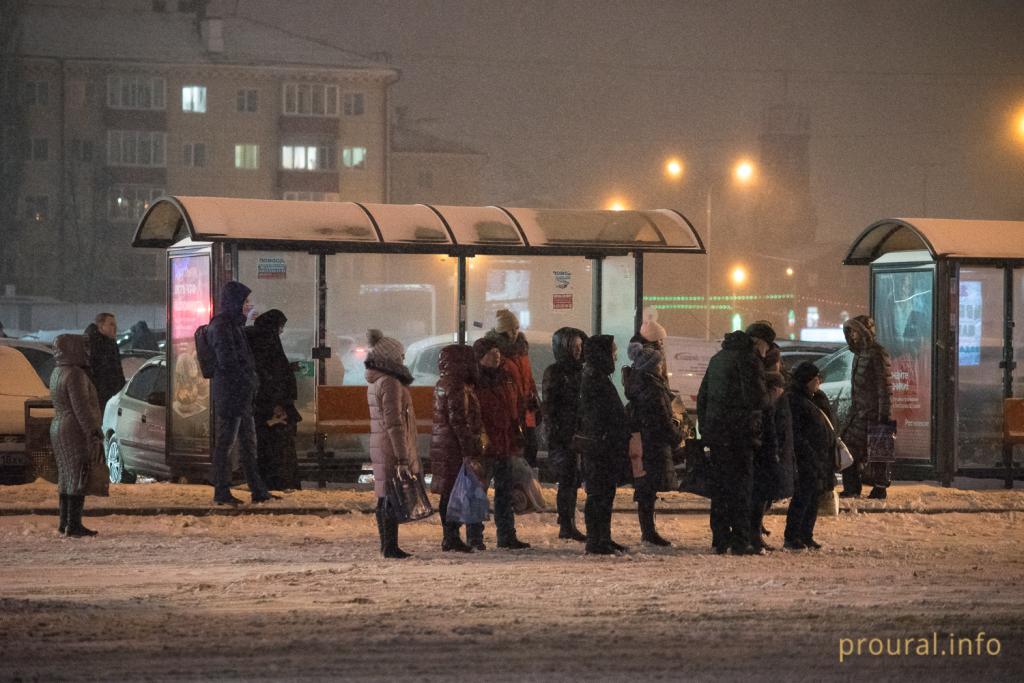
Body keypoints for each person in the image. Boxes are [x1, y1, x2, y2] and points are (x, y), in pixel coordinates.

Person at [696, 321, 772, 555]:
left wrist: (707, 429)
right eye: (767, 346)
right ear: (758, 342)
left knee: (720, 488)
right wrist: (772, 397)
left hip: (717, 435)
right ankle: (740, 540)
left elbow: (702, 397)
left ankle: (720, 538)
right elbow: (757, 399)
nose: (767, 351)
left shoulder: (717, 359)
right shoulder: (749, 360)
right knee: (741, 488)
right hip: (740, 434)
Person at [207, 281, 272, 506]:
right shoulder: (222, 326)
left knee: (247, 444)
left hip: (240, 393)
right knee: (226, 444)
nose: (248, 305)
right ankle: (221, 491)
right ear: (234, 302)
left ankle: (257, 489)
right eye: (245, 301)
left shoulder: (233, 325)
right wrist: (247, 378)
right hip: (231, 393)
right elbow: (228, 361)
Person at [364, 329, 422, 559]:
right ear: (391, 357)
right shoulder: (390, 382)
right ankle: (390, 546)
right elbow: (394, 422)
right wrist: (402, 456)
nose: (403, 358)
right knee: (391, 494)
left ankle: (387, 545)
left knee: (385, 494)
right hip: (390, 445)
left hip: (380, 442)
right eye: (400, 355)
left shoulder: (376, 379)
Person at [624, 339, 682, 547]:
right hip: (653, 444)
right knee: (648, 489)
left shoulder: (639, 385)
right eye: (659, 363)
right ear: (652, 366)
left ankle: (648, 530)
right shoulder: (653, 388)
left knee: (646, 488)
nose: (661, 366)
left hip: (644, 442)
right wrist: (676, 435)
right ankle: (649, 532)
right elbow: (662, 419)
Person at [473, 337, 530, 550]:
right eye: (491, 352)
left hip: (505, 441)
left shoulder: (506, 378)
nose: (496, 355)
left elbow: (514, 408)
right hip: (485, 445)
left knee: (504, 492)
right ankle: (475, 536)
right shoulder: (475, 381)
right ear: (480, 357)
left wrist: (517, 431)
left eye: (497, 351)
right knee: (478, 492)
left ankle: (506, 535)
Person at [577, 335, 631, 555]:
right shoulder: (594, 379)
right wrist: (609, 433)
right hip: (600, 445)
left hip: (605, 444)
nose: (615, 356)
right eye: (613, 351)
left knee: (605, 492)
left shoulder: (598, 377)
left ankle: (603, 537)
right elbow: (598, 414)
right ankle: (596, 539)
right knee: (598, 493)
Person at [429, 344, 483, 553]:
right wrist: (470, 446)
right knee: (454, 492)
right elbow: (458, 419)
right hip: (453, 447)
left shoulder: (443, 383)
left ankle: (450, 535)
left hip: (444, 444)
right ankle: (451, 536)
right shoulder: (458, 386)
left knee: (450, 491)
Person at [49, 334, 102, 537]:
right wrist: (93, 431)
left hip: (59, 425)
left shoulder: (57, 371)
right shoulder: (75, 374)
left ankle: (64, 522)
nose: (86, 351)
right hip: (74, 429)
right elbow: (82, 408)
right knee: (79, 474)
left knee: (66, 475)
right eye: (82, 347)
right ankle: (74, 524)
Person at [245, 309, 302, 491]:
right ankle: (280, 481)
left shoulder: (258, 341)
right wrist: (278, 403)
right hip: (273, 405)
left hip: (265, 404)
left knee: (267, 446)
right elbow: (273, 374)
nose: (281, 331)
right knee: (279, 446)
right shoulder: (268, 342)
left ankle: (269, 481)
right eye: (280, 326)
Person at [542, 326, 588, 542]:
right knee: (567, 479)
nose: (578, 350)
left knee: (574, 479)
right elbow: (550, 406)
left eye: (580, 346)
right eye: (574, 346)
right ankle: (566, 523)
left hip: (578, 432)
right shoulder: (556, 372)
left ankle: (568, 521)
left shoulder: (581, 371)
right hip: (564, 434)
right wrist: (556, 432)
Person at [840, 315, 894, 500]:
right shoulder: (859, 354)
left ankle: (879, 488)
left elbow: (884, 388)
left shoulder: (877, 353)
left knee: (879, 451)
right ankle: (852, 488)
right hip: (859, 413)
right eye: (850, 332)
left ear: (864, 332)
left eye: (855, 331)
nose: (852, 335)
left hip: (873, 413)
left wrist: (883, 416)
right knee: (848, 448)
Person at [785, 361, 836, 550]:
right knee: (803, 496)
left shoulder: (816, 398)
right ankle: (792, 536)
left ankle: (806, 534)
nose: (819, 382)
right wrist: (808, 450)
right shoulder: (795, 400)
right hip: (806, 456)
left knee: (814, 496)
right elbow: (796, 431)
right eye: (815, 379)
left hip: (820, 455)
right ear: (807, 380)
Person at [485, 309, 541, 468]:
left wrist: (534, 398)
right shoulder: (497, 354)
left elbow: (528, 379)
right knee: (513, 453)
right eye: (510, 329)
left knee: (530, 448)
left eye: (516, 328)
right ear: (501, 331)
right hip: (511, 411)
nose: (515, 332)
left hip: (526, 410)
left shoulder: (521, 351)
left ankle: (525, 479)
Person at [84, 312, 126, 414]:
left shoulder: (110, 343)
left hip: (113, 395)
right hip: (100, 396)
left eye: (115, 325)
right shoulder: (92, 343)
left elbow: (117, 369)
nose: (115, 328)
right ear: (101, 326)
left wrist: (121, 387)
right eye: (111, 324)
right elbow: (92, 371)